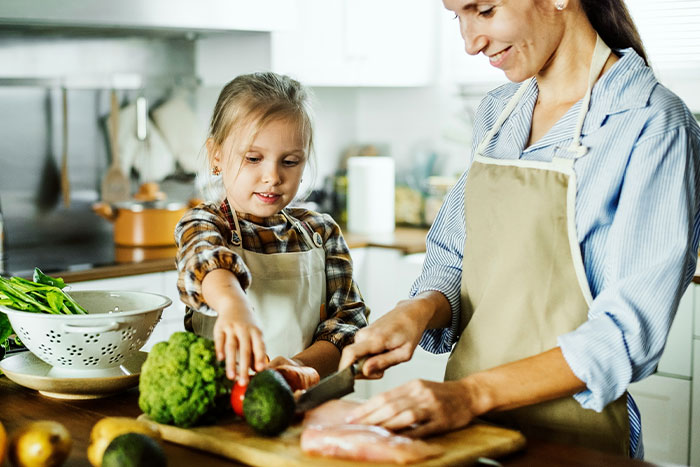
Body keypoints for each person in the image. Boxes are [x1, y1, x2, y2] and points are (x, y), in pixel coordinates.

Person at [339, 0, 700, 458]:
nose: (471, 43)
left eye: (484, 11)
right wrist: (418, 310)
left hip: (572, 444)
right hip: (470, 436)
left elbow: (625, 336)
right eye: (458, 17)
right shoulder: (498, 114)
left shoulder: (651, 123)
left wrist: (470, 395)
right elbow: (455, 257)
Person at [176, 72, 369, 387]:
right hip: (222, 405)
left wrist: (294, 370)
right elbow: (205, 260)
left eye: (290, 162)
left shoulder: (322, 233)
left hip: (305, 401)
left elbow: (347, 328)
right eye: (253, 158)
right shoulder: (205, 223)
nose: (272, 176)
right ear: (217, 156)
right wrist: (233, 305)